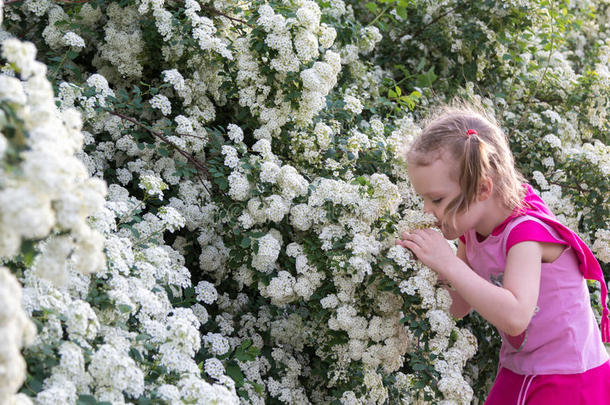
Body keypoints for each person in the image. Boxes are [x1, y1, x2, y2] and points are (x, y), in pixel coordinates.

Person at [395, 101, 610, 404]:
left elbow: (515, 317)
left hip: (571, 377)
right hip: (520, 368)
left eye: (437, 200)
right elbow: (458, 305)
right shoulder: (471, 228)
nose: (428, 211)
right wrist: (421, 266)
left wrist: (448, 263)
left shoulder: (525, 233)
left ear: (483, 189)